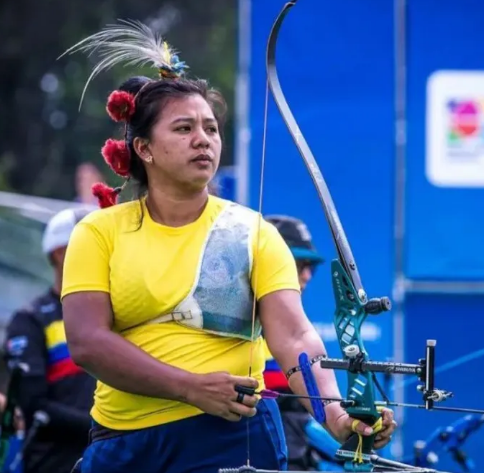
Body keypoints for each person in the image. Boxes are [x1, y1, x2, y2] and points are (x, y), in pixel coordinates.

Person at [59, 21, 397, 473]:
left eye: (211, 128)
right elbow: (87, 342)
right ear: (144, 148)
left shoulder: (251, 232)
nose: (204, 139)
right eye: (183, 128)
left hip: (231, 437)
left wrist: (334, 413)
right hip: (124, 443)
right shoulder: (99, 232)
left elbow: (294, 335)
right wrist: (189, 387)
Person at [4, 206, 97, 473]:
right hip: (55, 464)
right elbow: (34, 406)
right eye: (92, 244)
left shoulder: (117, 312)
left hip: (113, 457)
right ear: (60, 253)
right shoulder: (31, 319)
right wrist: (104, 425)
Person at [263, 215, 342, 471]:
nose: (306, 275)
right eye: (298, 264)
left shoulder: (294, 333)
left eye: (310, 266)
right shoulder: (241, 332)